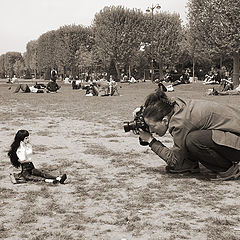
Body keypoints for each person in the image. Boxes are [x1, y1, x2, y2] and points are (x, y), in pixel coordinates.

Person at [137, 89, 240, 181]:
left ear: (164, 120)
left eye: (152, 126)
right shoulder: (175, 105)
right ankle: (189, 165)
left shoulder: (180, 122)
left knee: (193, 140)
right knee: (191, 138)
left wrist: (151, 140)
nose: (150, 130)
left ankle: (230, 170)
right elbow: (155, 110)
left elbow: (174, 161)